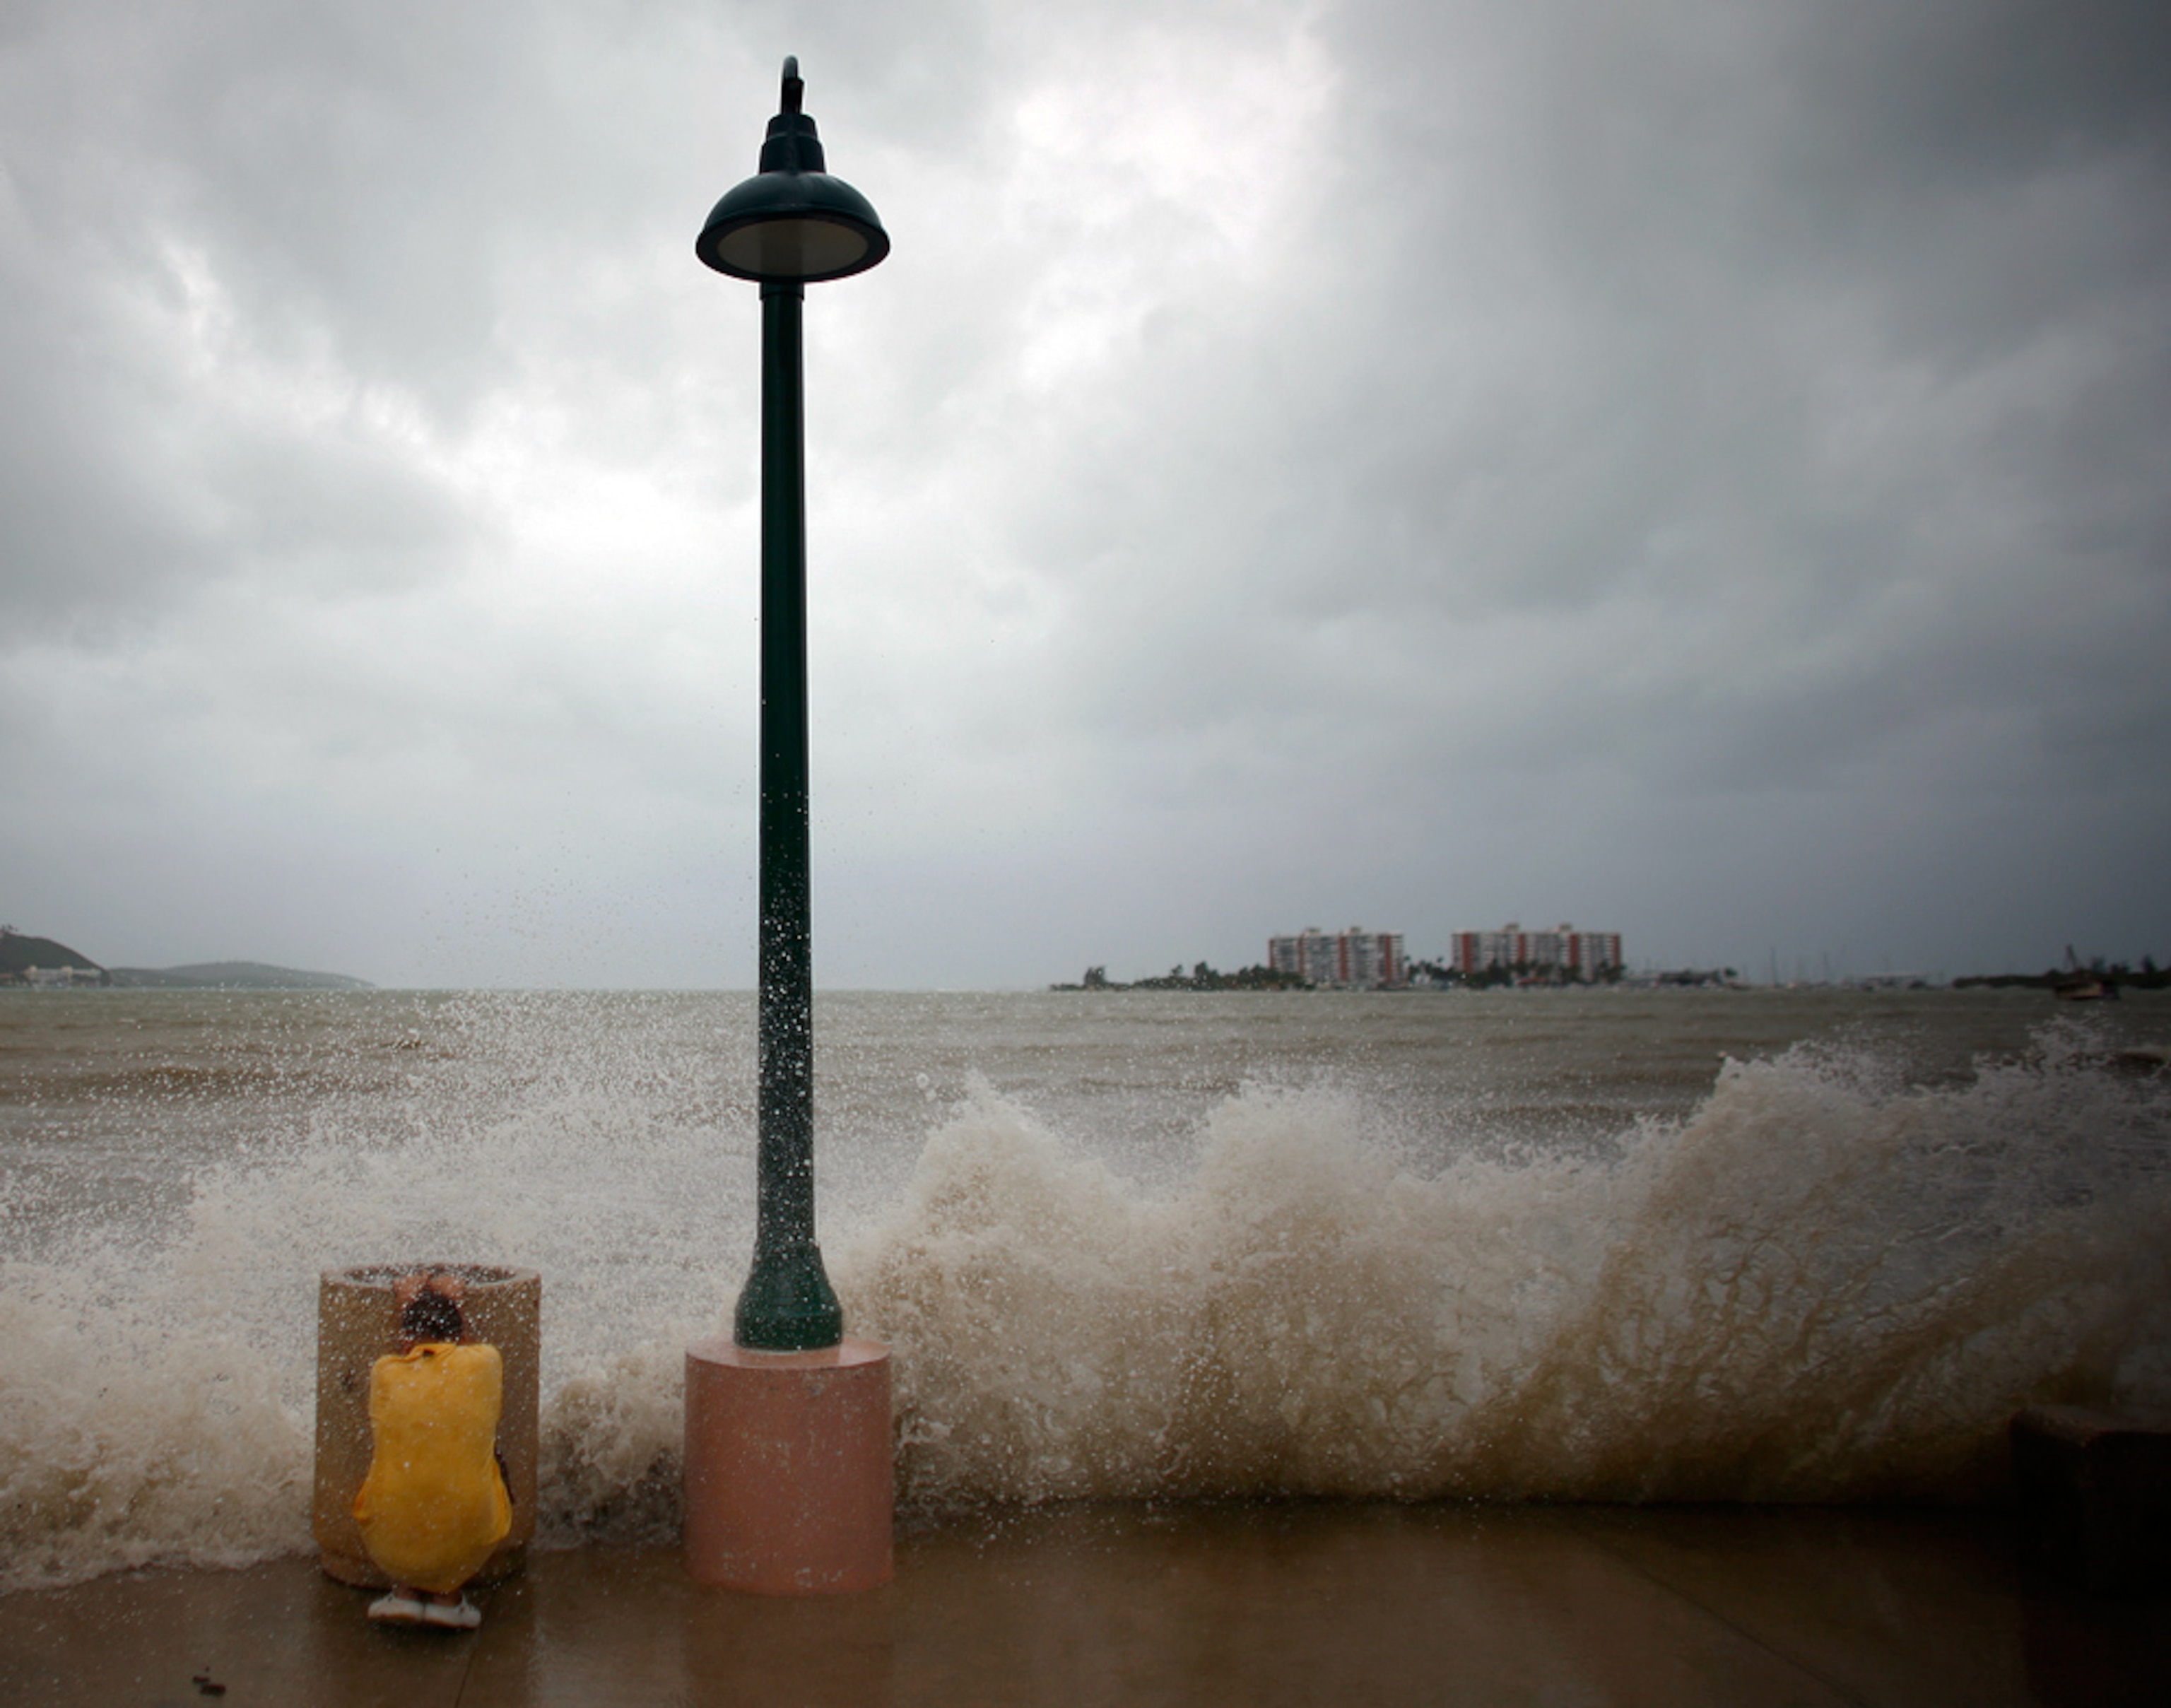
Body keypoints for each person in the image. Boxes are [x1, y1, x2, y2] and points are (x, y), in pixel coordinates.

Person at [353, 1271, 512, 1630]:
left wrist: (408, 1302)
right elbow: (461, 1347)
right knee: (478, 1468)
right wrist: (452, 1300)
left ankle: (405, 1591)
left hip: (386, 1543)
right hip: (471, 1539)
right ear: (460, 1331)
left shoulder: (384, 1372)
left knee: (408, 1465)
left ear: (405, 1335)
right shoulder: (486, 1363)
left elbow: (412, 1353)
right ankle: (448, 1597)